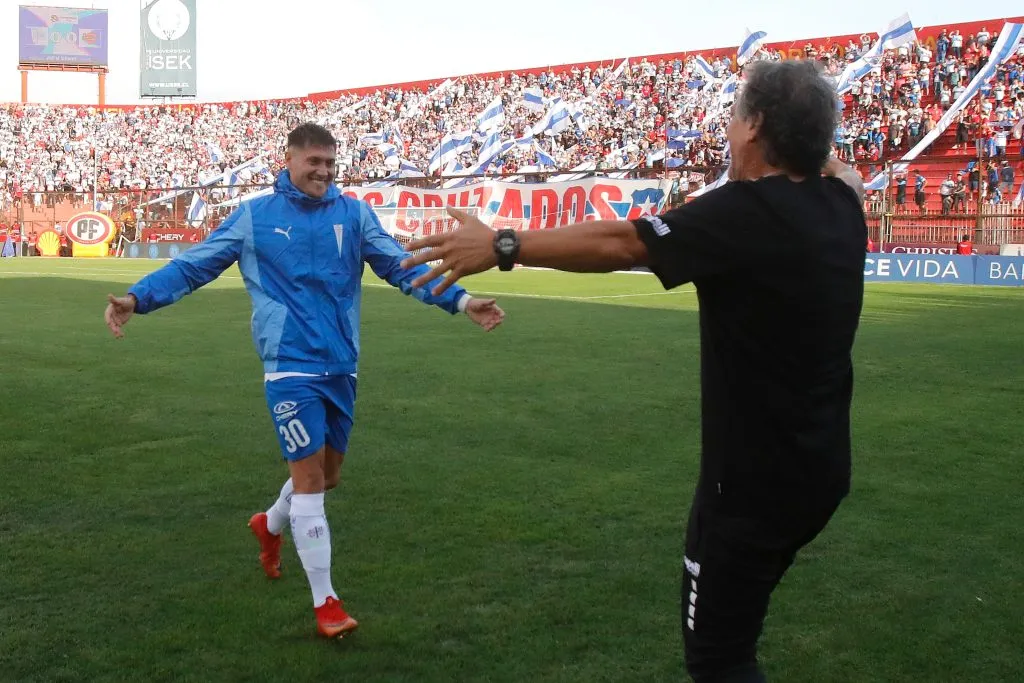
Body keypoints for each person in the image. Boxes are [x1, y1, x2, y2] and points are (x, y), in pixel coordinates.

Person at [401, 61, 866, 682]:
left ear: (754, 126)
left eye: (733, 118)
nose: (727, 131)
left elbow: (625, 244)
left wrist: (503, 246)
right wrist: (816, 142)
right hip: (821, 470)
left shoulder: (749, 211)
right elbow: (845, 170)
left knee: (721, 660)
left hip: (752, 487)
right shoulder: (841, 202)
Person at [104, 123, 505, 639]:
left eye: (330, 163)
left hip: (341, 363)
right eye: (313, 162)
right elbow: (195, 266)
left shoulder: (354, 215)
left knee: (328, 475)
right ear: (289, 160)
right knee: (310, 482)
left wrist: (462, 300)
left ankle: (268, 525)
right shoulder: (255, 216)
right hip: (289, 364)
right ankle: (327, 603)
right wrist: (137, 298)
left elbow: (402, 268)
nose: (322, 171)